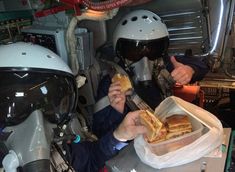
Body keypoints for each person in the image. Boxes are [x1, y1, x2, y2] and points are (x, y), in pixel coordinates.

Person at [0, 42, 146, 172]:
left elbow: (94, 156)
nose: (38, 126)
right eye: (18, 110)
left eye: (48, 109)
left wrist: (120, 135)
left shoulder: (63, 154)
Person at [92, 9, 209, 138]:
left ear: (161, 50)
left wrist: (190, 69)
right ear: (121, 52)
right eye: (135, 51)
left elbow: (202, 64)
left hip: (165, 134)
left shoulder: (163, 64)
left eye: (153, 49)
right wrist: (117, 111)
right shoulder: (112, 83)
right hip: (134, 146)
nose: (145, 60)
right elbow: (100, 133)